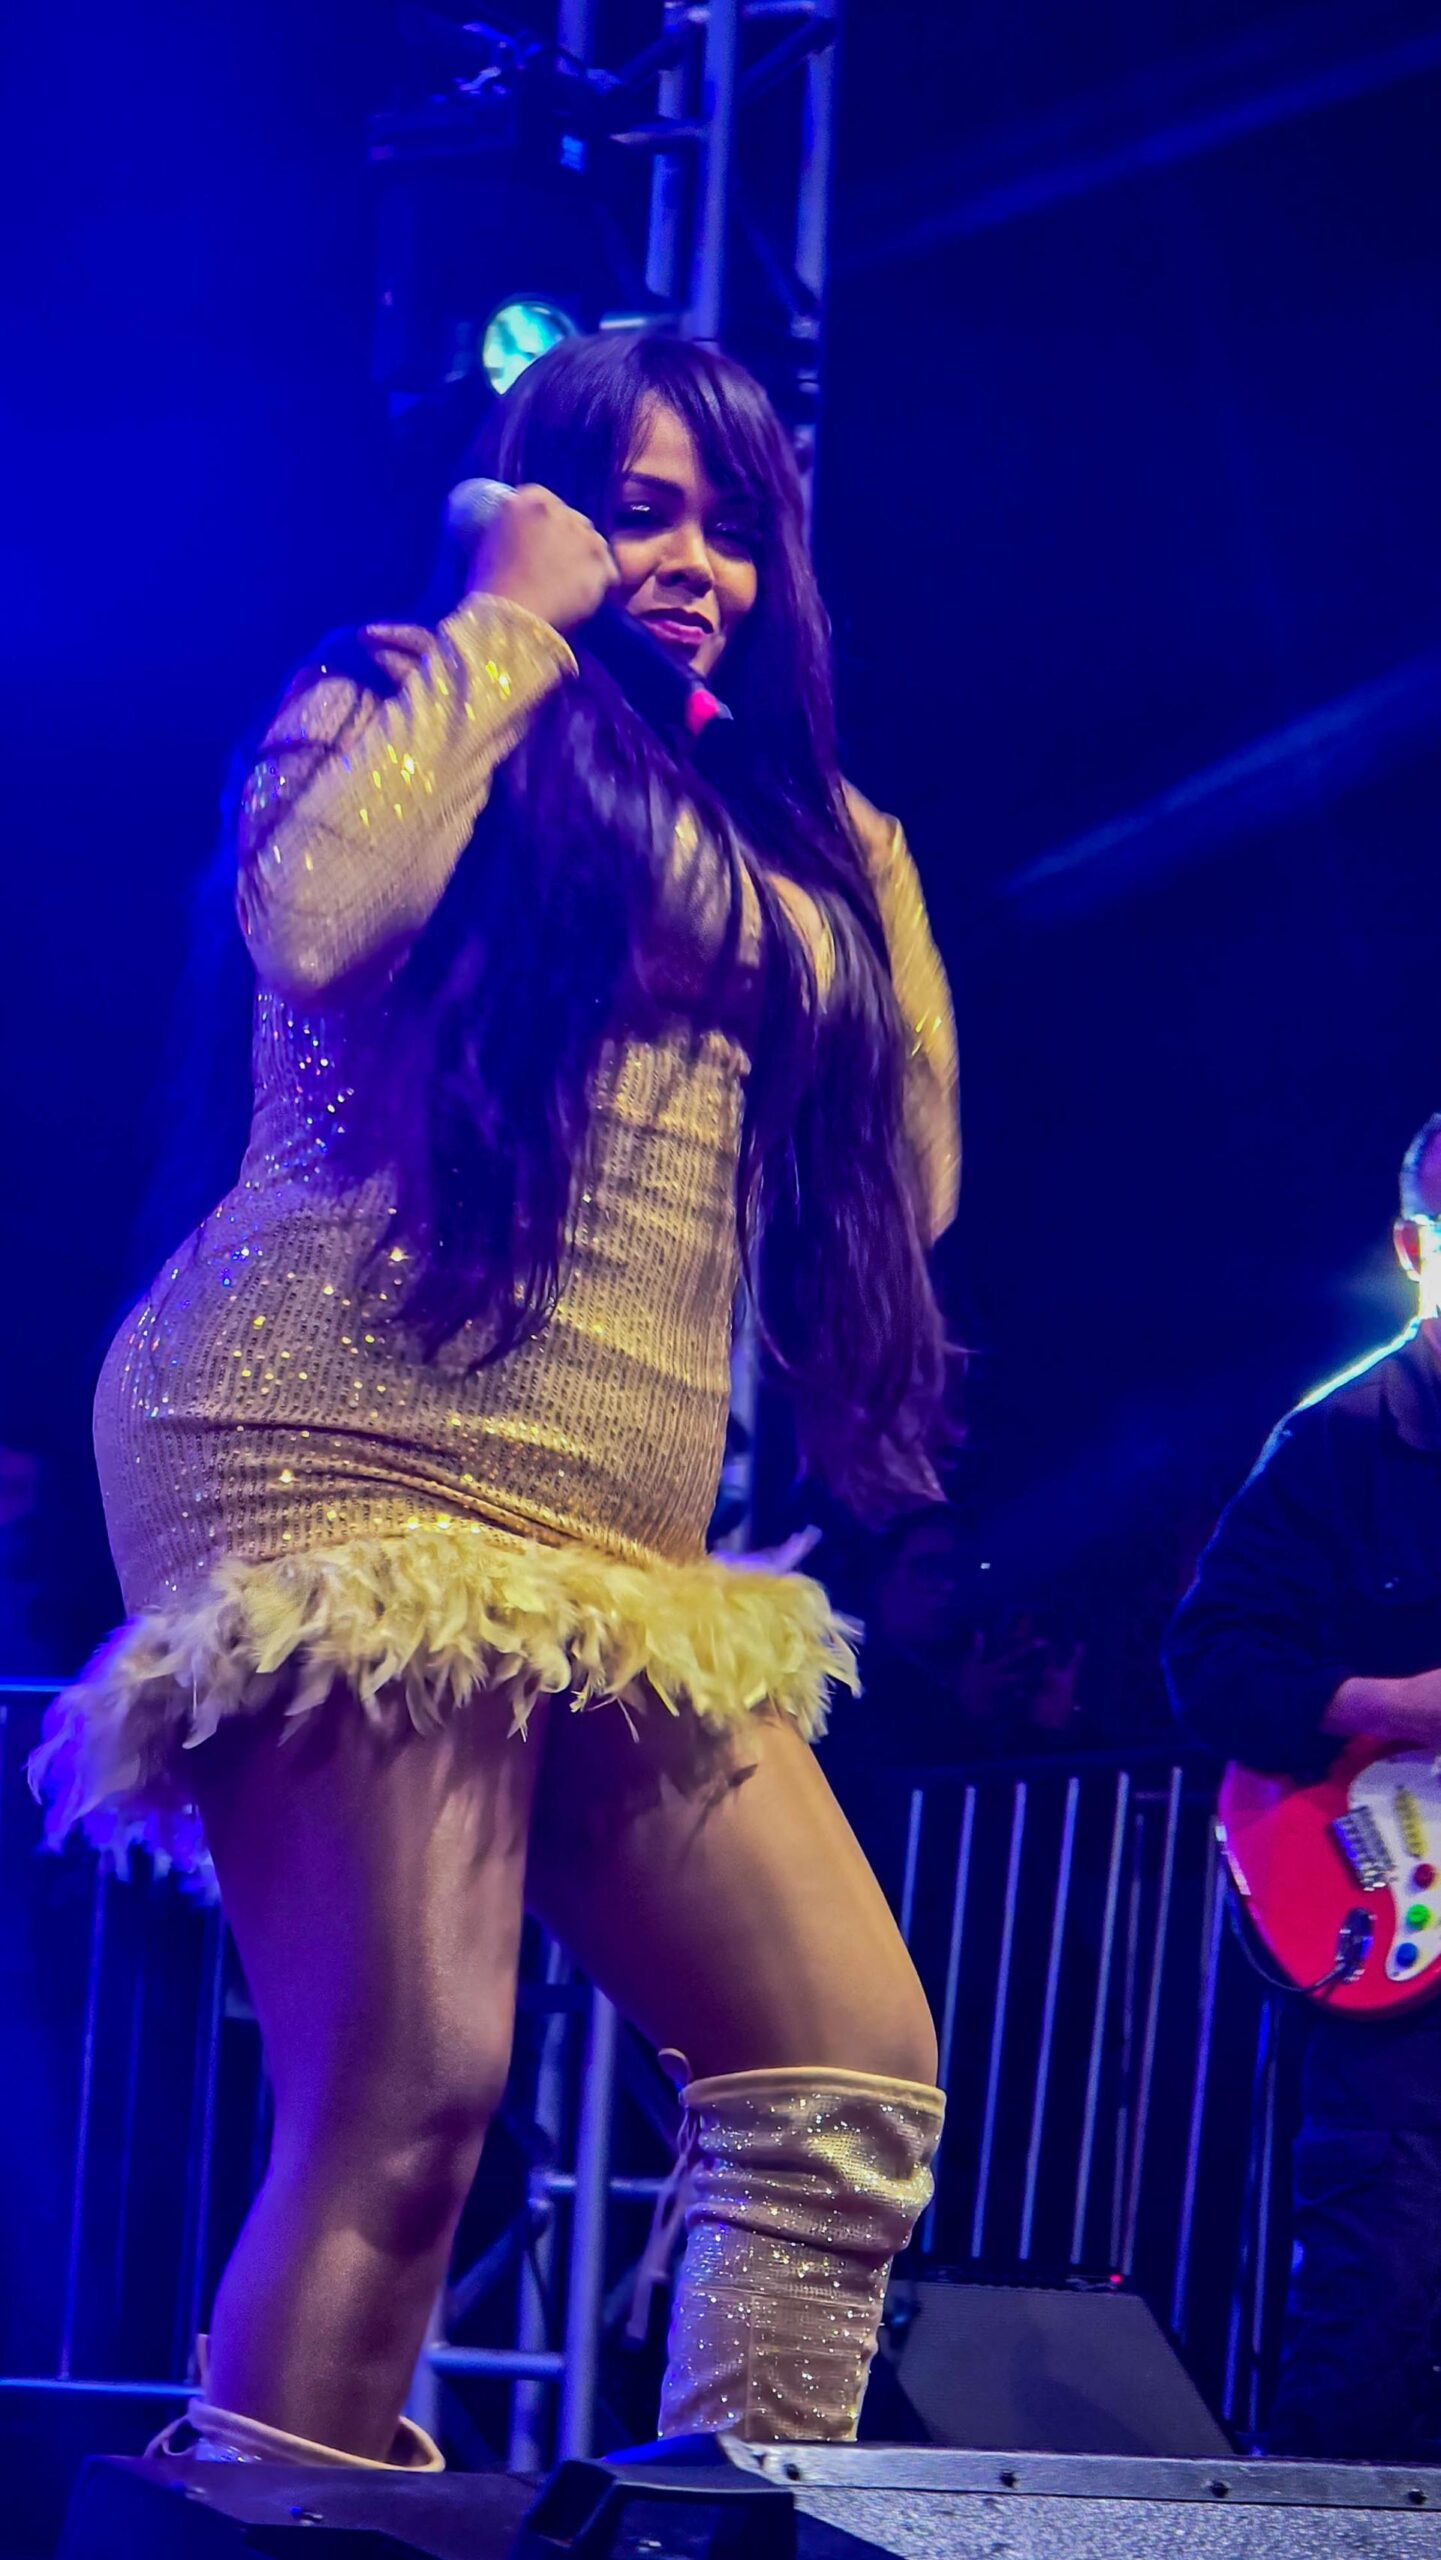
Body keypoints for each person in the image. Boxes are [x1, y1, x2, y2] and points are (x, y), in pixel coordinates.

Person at [32, 333, 959, 2471]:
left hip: (606, 1530)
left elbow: (909, 1186)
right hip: (329, 1436)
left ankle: (726, 2529)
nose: (692, 560)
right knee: (411, 2100)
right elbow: (315, 915)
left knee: (839, 2072)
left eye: (732, 525)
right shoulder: (402, 689)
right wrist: (506, 621)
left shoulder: (792, 843)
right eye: (638, 510)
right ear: (537, 508)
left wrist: (872, 881)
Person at [1165, 1111, 1441, 2461]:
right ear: (1413, 1249)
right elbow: (1208, 1662)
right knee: (1373, 2303)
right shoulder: (1342, 1439)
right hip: (1395, 1928)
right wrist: (1392, 1704)